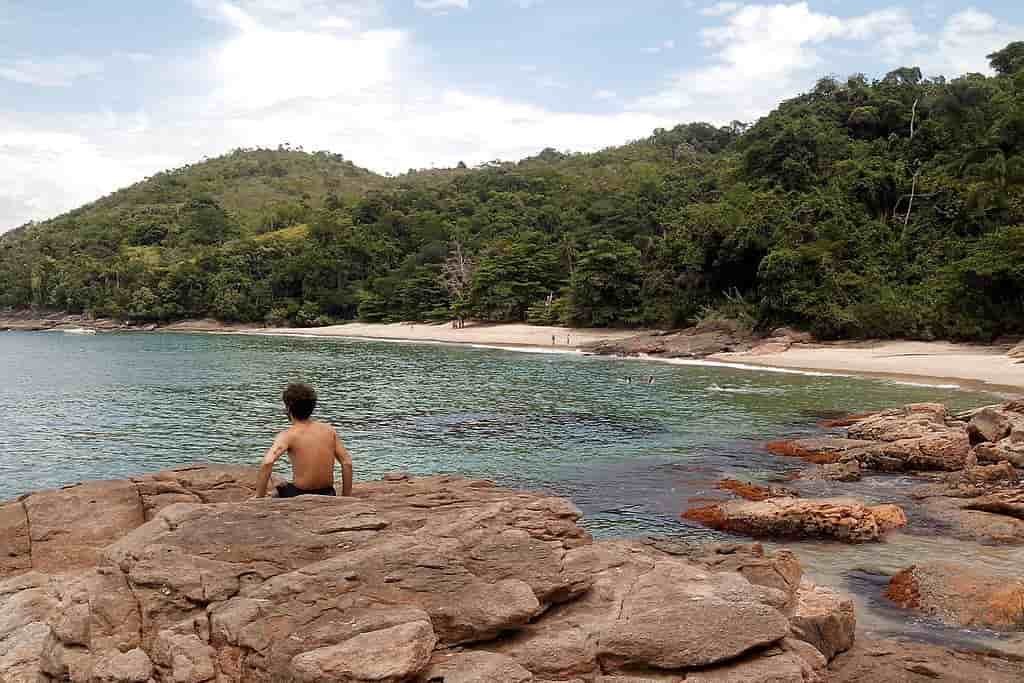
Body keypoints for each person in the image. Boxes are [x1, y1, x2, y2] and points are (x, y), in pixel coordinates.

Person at [253, 383, 354, 498]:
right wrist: (346, 497)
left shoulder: (288, 435)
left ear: (288, 408)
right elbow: (347, 463)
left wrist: (259, 497)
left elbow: (267, 463)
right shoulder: (329, 430)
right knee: (279, 480)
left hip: (299, 494)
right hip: (328, 493)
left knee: (276, 480)